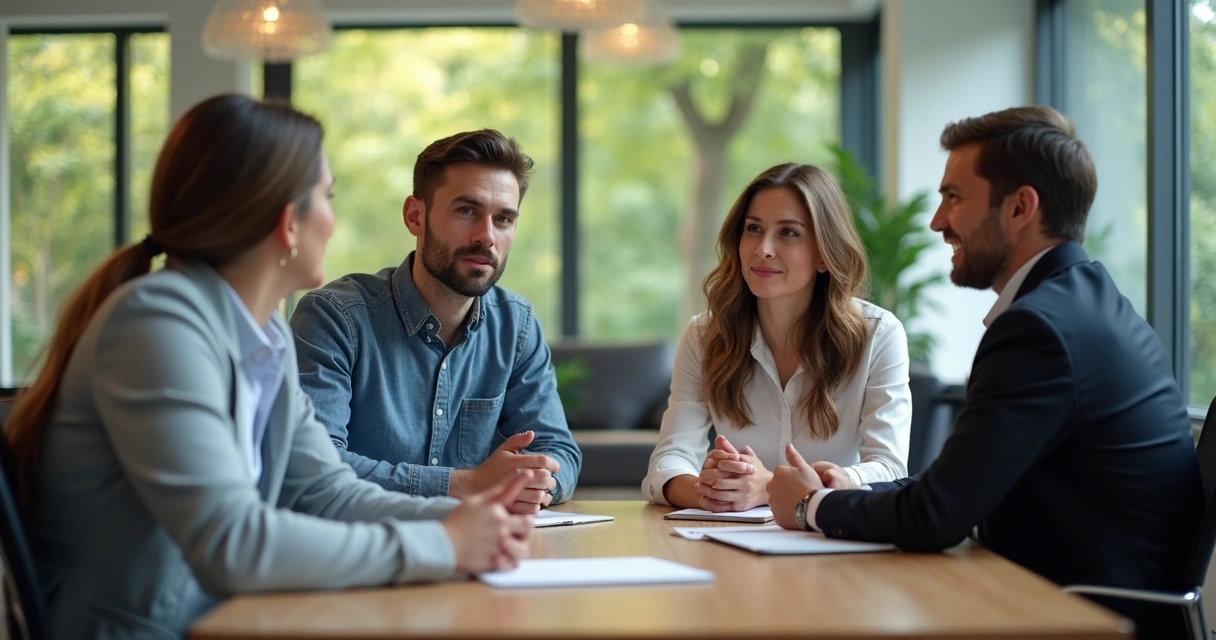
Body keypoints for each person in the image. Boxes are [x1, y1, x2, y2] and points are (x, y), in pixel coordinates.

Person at [2, 94, 534, 640]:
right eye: (325, 197)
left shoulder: (265, 331)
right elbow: (230, 542)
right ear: (288, 222)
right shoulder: (156, 324)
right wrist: (443, 544)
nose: (332, 218)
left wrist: (464, 523)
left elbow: (324, 492)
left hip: (224, 618)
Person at [766, 106, 1203, 639]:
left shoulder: (1041, 330)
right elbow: (962, 482)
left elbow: (938, 516)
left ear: (1020, 207)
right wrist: (847, 493)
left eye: (954, 197)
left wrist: (812, 505)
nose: (937, 221)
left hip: (1085, 617)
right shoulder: (1082, 304)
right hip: (1068, 598)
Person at [290, 129, 580, 514]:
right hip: (362, 554)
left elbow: (559, 451)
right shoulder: (333, 318)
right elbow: (315, 466)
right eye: (466, 211)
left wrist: (535, 482)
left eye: (504, 218)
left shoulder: (517, 325)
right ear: (415, 216)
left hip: (481, 551)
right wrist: (463, 485)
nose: (486, 237)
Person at [642, 162, 912, 512]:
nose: (763, 248)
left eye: (788, 233)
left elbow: (889, 468)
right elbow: (669, 462)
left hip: (832, 540)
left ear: (824, 255)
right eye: (753, 228)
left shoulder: (878, 335)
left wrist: (768, 487)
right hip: (732, 542)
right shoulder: (705, 336)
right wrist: (716, 491)